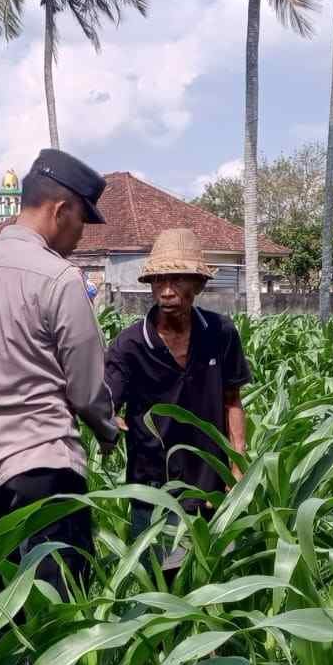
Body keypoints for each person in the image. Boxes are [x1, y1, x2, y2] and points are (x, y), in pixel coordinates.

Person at [0, 147, 120, 595]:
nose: (80, 235)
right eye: (81, 221)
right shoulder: (62, 280)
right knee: (59, 608)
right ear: (60, 210)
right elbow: (86, 387)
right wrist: (108, 430)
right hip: (50, 468)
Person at [105, 228, 251, 543]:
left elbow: (232, 400)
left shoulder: (220, 332)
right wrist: (109, 419)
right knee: (159, 570)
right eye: (159, 281)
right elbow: (107, 404)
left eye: (178, 279)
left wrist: (237, 467)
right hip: (154, 489)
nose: (167, 291)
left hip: (212, 485)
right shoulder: (129, 345)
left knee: (213, 568)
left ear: (198, 284)